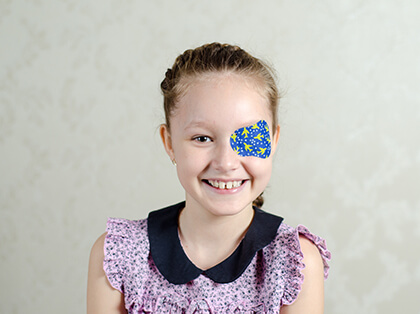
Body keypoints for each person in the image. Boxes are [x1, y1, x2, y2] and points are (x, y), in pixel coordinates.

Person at [87, 42, 331, 313]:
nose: (226, 162)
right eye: (202, 138)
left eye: (248, 137)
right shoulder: (119, 256)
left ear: (273, 141)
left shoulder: (294, 263)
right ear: (169, 143)